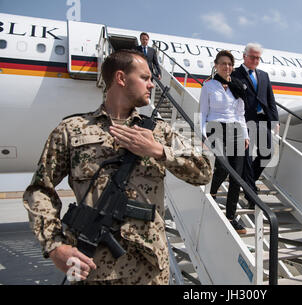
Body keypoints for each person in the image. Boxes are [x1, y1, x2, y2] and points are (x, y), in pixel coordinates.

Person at [22, 49, 212, 285]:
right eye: (145, 78)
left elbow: (204, 171)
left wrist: (158, 150)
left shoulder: (159, 132)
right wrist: (54, 246)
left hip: (150, 270)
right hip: (92, 269)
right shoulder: (71, 130)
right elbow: (40, 190)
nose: (151, 85)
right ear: (121, 78)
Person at [200, 50, 249, 235]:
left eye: (229, 64)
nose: (226, 67)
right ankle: (211, 193)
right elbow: (203, 113)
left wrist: (245, 135)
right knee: (222, 166)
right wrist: (203, 135)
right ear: (216, 65)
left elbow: (240, 114)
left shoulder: (238, 86)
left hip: (235, 129)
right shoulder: (209, 86)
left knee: (237, 175)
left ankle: (231, 216)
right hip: (215, 128)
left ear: (232, 67)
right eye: (223, 63)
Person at [231, 43, 279, 208]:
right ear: (244, 56)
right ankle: (251, 195)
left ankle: (248, 182)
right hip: (244, 120)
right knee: (246, 158)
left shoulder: (264, 75)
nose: (255, 60)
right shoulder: (235, 74)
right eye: (252, 57)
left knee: (267, 153)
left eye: (258, 57)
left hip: (262, 120)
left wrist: (275, 121)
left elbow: (270, 100)